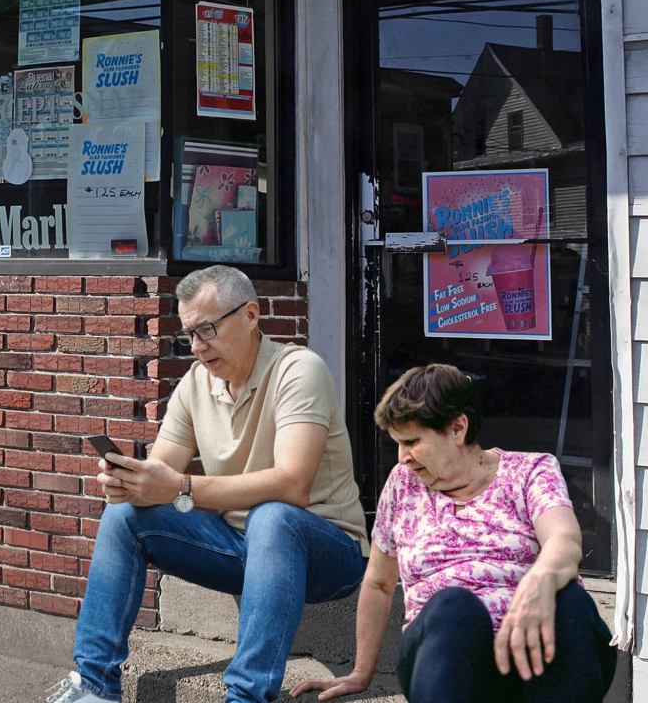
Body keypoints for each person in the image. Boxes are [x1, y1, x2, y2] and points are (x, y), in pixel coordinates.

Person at [44, 265, 369, 703]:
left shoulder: (298, 370)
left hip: (329, 554)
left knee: (272, 518)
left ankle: (247, 697)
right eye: (189, 335)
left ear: (251, 315)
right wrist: (131, 485)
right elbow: (160, 476)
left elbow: (293, 485)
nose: (198, 347)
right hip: (239, 549)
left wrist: (180, 487)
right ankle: (96, 687)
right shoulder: (196, 384)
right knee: (125, 515)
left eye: (208, 329)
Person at [290, 364, 616, 703]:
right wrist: (360, 673)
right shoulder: (403, 486)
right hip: (444, 660)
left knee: (571, 601)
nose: (402, 458)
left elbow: (563, 539)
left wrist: (543, 580)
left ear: (457, 428)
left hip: (535, 659)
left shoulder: (530, 471)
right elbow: (379, 583)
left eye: (412, 441)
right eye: (397, 444)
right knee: (454, 606)